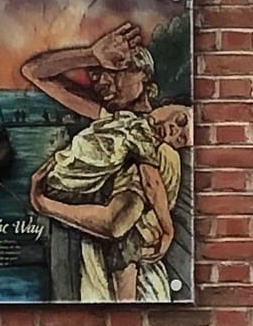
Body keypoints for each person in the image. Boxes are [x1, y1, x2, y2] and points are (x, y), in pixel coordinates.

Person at [22, 26, 188, 304]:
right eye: (98, 71)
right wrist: (90, 54)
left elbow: (115, 223)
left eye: (117, 69)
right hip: (97, 283)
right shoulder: (114, 123)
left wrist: (43, 204)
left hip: (129, 293)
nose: (102, 80)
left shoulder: (154, 146)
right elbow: (34, 72)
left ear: (146, 78)